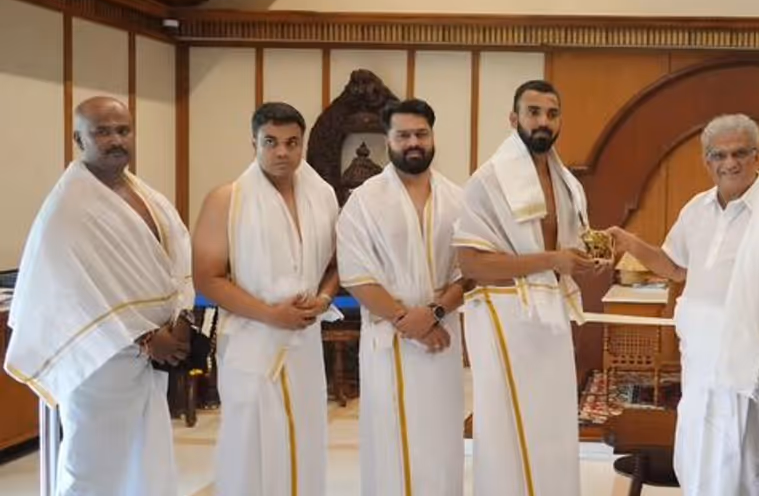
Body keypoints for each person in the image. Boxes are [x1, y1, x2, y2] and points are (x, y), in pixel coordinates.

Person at [608, 114, 759, 496]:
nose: (730, 163)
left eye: (740, 152)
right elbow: (675, 267)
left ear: (757, 156)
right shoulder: (696, 208)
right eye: (719, 155)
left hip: (752, 373)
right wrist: (629, 243)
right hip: (700, 370)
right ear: (706, 161)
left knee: (750, 469)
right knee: (697, 465)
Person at [4, 97, 192, 496]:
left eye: (122, 130)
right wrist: (142, 337)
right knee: (93, 468)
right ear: (79, 138)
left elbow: (177, 262)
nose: (115, 140)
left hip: (152, 360)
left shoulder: (147, 195)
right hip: (99, 363)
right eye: (101, 132)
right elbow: (67, 295)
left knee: (146, 459)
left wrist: (181, 320)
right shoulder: (66, 208)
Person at [453, 80, 603, 496]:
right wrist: (552, 260)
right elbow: (471, 264)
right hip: (503, 317)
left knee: (552, 423)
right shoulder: (487, 181)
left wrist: (578, 265)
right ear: (514, 118)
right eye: (534, 112)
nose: (543, 122)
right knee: (506, 428)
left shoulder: (565, 181)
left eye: (552, 114)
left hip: (549, 314)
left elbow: (561, 255)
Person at [193, 102, 340, 496]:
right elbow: (207, 277)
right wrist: (270, 315)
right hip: (251, 342)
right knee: (252, 445)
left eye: (292, 143)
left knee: (304, 439)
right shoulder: (227, 199)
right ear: (253, 143)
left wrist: (325, 299)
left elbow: (340, 263)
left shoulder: (323, 195)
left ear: (302, 144)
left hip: (304, 341)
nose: (282, 152)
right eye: (270, 142)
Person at [337, 98, 468, 495]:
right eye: (403, 135)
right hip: (388, 339)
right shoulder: (364, 200)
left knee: (442, 444)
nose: (414, 142)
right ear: (388, 140)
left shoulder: (459, 199)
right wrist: (406, 320)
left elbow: (472, 271)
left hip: (441, 337)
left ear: (432, 136)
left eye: (421, 134)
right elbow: (355, 275)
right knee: (390, 443)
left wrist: (433, 313)